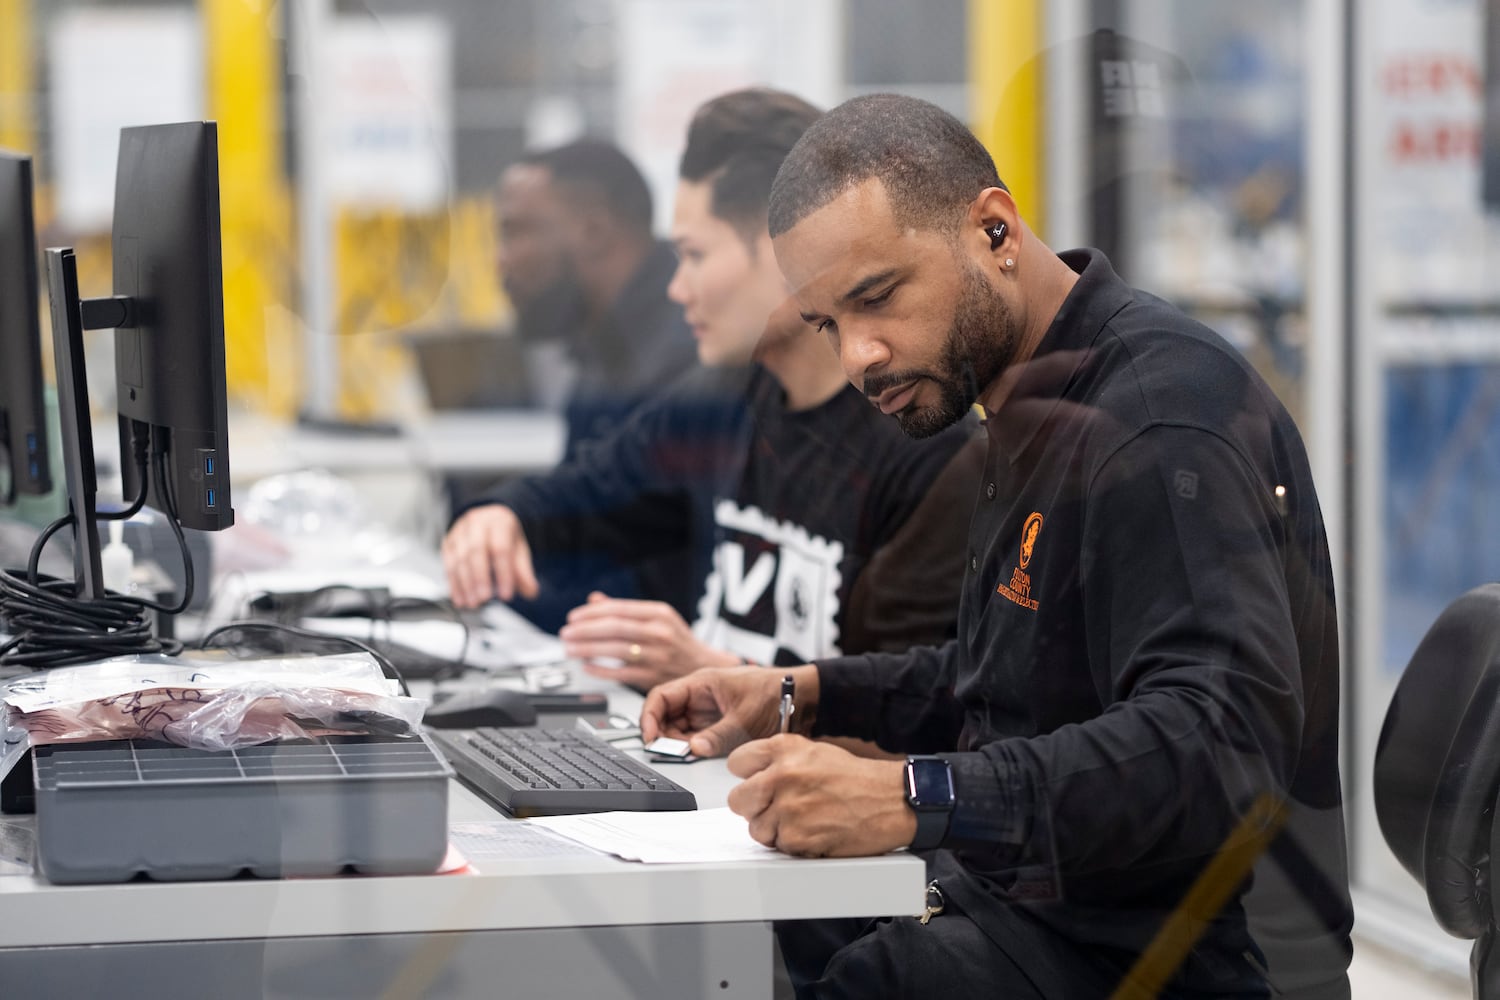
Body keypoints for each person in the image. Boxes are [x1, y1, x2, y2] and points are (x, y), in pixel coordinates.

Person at [641, 94, 1353, 998]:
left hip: (1184, 964)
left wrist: (914, 794)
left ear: (994, 233)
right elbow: (1019, 683)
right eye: (828, 323)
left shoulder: (1160, 420)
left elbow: (1215, 748)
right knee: (772, 912)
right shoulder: (1029, 396)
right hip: (1052, 919)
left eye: (878, 296)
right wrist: (800, 695)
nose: (859, 354)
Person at [443, 88, 982, 688]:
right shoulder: (720, 397)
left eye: (694, 255)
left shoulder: (925, 445)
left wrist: (717, 675)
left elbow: (919, 721)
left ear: (789, 254)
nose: (677, 289)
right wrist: (504, 515)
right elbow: (595, 490)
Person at [493, 139, 699, 459]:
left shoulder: (686, 354)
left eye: (518, 231)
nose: (501, 259)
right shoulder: (604, 347)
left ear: (594, 230)